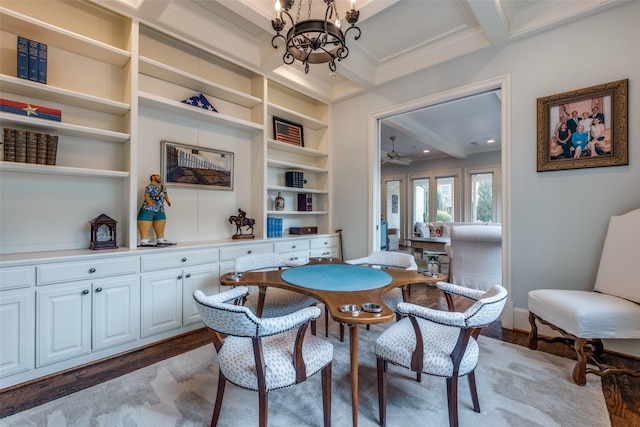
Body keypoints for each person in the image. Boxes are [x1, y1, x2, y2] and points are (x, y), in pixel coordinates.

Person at [137, 174, 172, 246]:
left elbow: (165, 195)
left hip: (160, 208)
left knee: (161, 221)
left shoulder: (163, 188)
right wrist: (149, 201)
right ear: (153, 177)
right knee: (146, 221)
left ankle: (160, 239)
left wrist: (168, 201)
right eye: (158, 176)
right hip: (149, 208)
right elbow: (146, 195)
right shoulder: (149, 187)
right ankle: (144, 240)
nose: (160, 178)